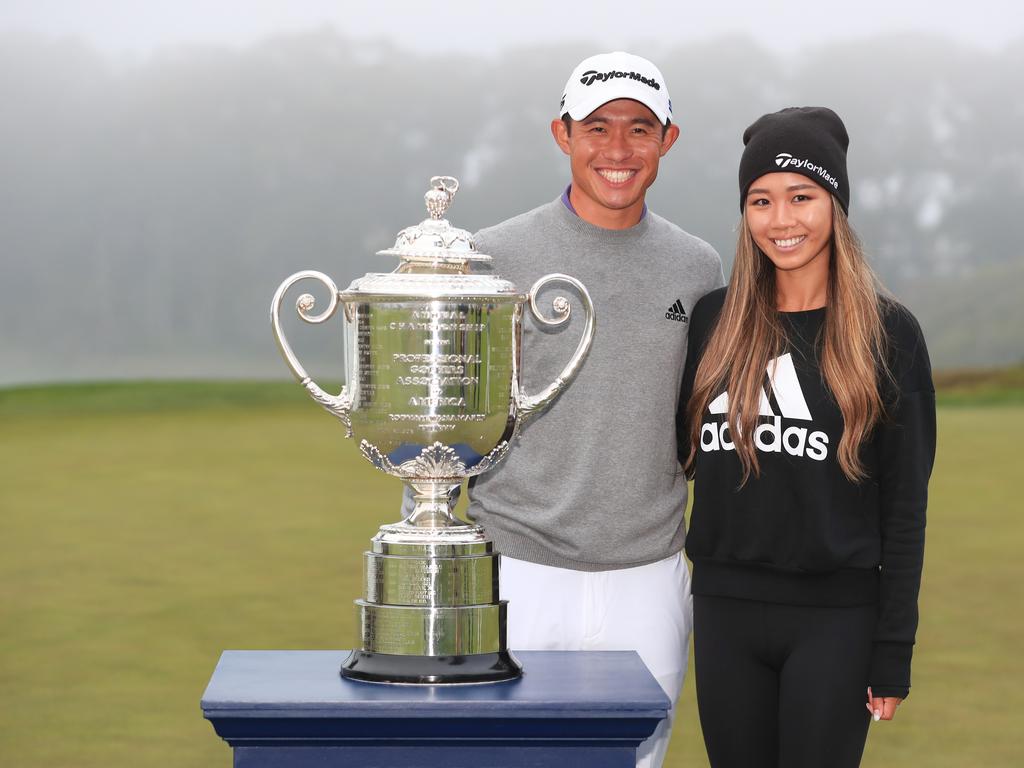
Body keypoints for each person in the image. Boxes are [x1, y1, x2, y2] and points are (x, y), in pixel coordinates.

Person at [402, 51, 723, 767]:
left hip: (649, 572)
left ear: (668, 140)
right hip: (520, 566)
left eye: (640, 129)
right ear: (562, 134)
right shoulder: (492, 255)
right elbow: (449, 415)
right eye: (597, 127)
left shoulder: (698, 267)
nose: (617, 150)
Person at [677, 107, 935, 767]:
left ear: (835, 205)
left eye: (801, 197)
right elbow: (678, 455)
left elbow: (904, 510)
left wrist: (892, 649)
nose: (781, 219)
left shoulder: (889, 335)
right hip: (725, 614)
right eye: (761, 200)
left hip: (836, 622)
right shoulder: (714, 322)